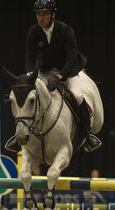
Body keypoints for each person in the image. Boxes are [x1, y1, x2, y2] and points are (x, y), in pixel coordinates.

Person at [5, 0, 102, 153]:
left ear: (52, 15)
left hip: (69, 70)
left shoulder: (65, 30)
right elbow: (30, 59)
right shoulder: (34, 31)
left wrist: (60, 76)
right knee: (29, 96)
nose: (40, 18)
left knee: (77, 96)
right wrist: (31, 76)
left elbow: (71, 58)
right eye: (38, 14)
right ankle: (18, 134)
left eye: (44, 14)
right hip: (44, 71)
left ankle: (87, 135)